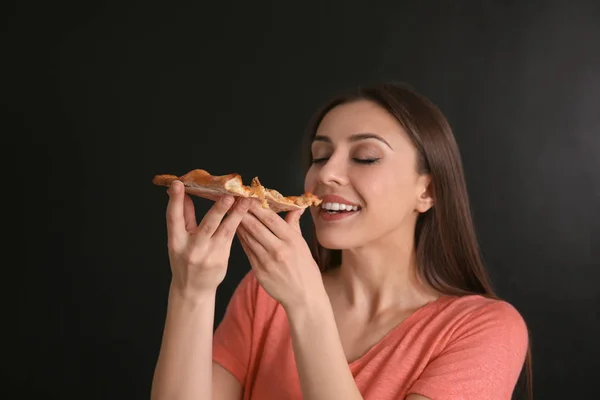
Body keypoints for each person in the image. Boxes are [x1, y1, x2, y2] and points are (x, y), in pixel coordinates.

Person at [150, 82, 532, 400]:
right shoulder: (262, 296)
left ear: (427, 191)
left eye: (365, 157)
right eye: (319, 155)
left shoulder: (484, 329)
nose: (326, 173)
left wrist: (306, 305)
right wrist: (191, 290)